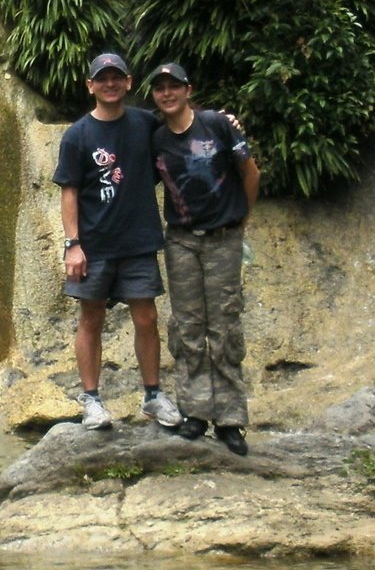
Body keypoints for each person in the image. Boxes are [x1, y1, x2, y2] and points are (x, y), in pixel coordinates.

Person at [53, 52, 182, 431]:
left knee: (147, 317)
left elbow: (179, 135)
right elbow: (69, 192)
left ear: (128, 83)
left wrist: (223, 123)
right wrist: (72, 244)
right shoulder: (77, 135)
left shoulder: (144, 124)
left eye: (117, 77)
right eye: (102, 78)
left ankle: (154, 395)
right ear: (90, 85)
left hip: (139, 240)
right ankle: (91, 400)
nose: (110, 84)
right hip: (94, 246)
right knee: (91, 318)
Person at [147, 61, 260, 456]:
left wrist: (241, 219)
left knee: (225, 326)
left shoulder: (216, 124)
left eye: (173, 86)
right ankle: (195, 412)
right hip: (181, 241)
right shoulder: (155, 137)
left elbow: (250, 173)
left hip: (223, 239)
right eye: (160, 88)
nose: (167, 93)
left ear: (188, 89)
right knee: (188, 329)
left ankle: (230, 419)